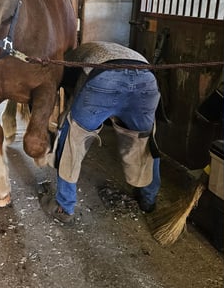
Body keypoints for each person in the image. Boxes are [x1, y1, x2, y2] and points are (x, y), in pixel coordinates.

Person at [41, 41, 161, 223]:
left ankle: (64, 207)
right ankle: (148, 200)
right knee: (145, 141)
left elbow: (64, 91)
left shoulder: (69, 59)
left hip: (104, 80)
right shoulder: (106, 48)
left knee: (73, 138)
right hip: (146, 79)